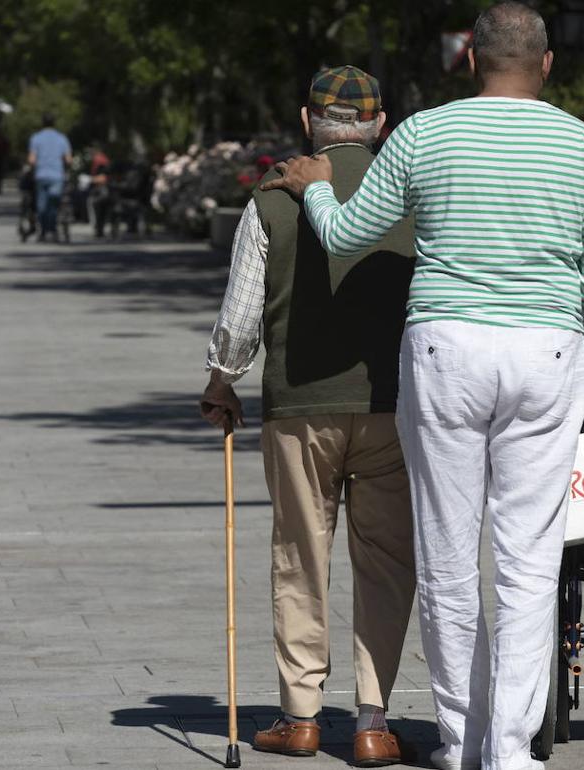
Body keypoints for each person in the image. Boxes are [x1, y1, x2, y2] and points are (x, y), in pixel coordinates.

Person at [261, 6, 584, 769]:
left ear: (469, 62)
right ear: (547, 64)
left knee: (450, 556)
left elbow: (349, 235)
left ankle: (459, 742)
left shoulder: (427, 133)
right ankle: (510, 751)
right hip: (545, 351)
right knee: (529, 560)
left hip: (446, 348)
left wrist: (320, 188)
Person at [200, 65, 417, 768]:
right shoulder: (411, 192)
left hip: (298, 409)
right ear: (380, 125)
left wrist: (220, 382)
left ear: (306, 121)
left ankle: (299, 718)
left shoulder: (272, 196)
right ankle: (373, 722)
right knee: (386, 565)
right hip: (391, 406)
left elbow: (242, 314)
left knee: (300, 555)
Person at [27, 114, 73, 241]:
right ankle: (52, 229)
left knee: (41, 205)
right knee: (53, 204)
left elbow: (31, 160)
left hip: (41, 175)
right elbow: (68, 159)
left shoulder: (36, 138)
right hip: (57, 175)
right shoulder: (61, 138)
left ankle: (43, 230)